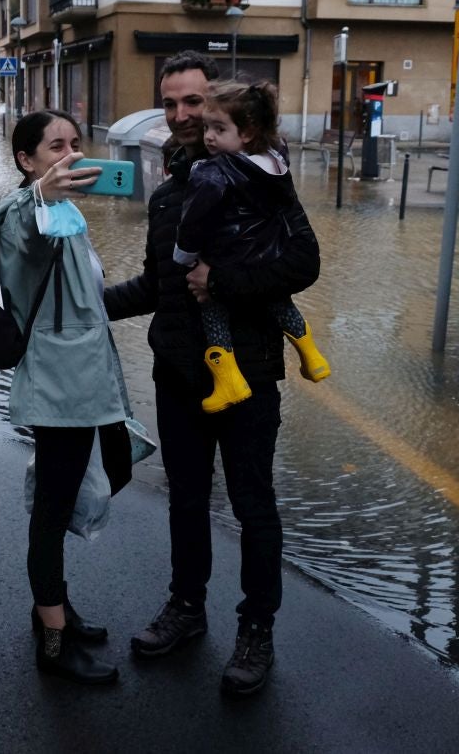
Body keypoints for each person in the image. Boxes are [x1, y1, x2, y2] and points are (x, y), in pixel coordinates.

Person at [104, 52, 320, 697]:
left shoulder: (262, 180)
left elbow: (303, 264)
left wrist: (222, 278)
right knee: (188, 500)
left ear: (220, 105)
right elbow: (161, 282)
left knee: (255, 506)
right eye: (169, 104)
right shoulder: (171, 189)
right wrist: (84, 306)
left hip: (249, 372)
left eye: (192, 103)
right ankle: (186, 608)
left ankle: (257, 628)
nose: (180, 116)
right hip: (178, 370)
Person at [0, 109, 125, 686]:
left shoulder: (66, 213)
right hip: (59, 387)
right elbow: (29, 246)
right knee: (51, 512)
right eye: (55, 146)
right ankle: (52, 640)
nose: (71, 155)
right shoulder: (26, 217)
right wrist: (39, 194)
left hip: (79, 381)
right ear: (25, 160)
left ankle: (55, 611)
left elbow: (86, 297)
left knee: (59, 503)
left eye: (77, 144)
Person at [174, 80, 330, 414]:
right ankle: (312, 354)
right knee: (278, 300)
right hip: (265, 256)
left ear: (247, 132)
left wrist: (191, 263)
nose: (209, 136)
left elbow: (192, 226)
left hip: (224, 263)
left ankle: (228, 379)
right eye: (207, 128)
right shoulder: (276, 164)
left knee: (213, 310)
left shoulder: (210, 173)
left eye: (218, 128)